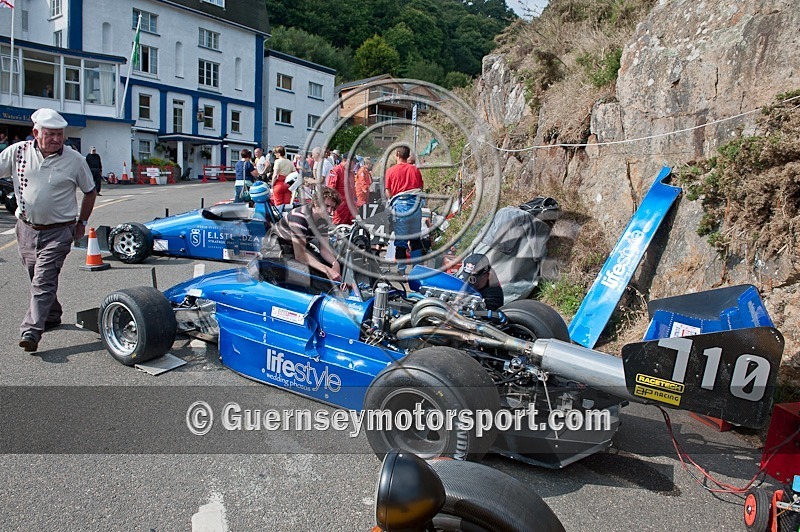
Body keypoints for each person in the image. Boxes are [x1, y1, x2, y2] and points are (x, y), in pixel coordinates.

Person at [0, 108, 97, 352]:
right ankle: (51, 315)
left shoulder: (75, 160)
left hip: (59, 231)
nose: (56, 139)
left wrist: (82, 223)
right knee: (37, 276)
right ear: (36, 133)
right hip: (26, 228)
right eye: (50, 134)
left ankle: (31, 331)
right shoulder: (17, 152)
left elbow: (90, 191)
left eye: (60, 134)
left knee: (43, 279)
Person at [267, 185, 342, 283]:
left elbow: (324, 249)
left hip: (294, 249)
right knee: (311, 274)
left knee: (334, 266)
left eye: (333, 208)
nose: (330, 211)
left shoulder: (323, 220)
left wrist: (335, 263)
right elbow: (300, 255)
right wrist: (327, 270)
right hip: (276, 250)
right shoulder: (299, 217)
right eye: (327, 206)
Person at [385, 145, 424, 274]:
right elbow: (420, 188)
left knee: (401, 242)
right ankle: (417, 271)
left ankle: (401, 271)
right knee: (415, 240)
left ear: (397, 154)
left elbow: (388, 192)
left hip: (400, 208)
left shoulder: (390, 171)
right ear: (407, 156)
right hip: (415, 208)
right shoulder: (415, 170)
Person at [326, 152, 357, 225]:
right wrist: (333, 206)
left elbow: (353, 190)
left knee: (352, 226)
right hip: (340, 208)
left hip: (350, 207)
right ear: (346, 160)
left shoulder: (351, 173)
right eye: (353, 162)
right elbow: (330, 190)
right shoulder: (336, 170)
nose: (355, 164)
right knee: (338, 226)